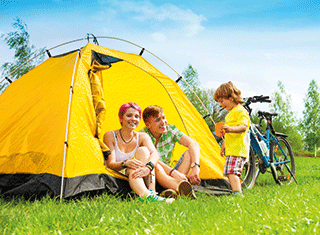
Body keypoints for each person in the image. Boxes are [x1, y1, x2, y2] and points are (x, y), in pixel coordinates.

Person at [103, 102, 174, 203]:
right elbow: (110, 164)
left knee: (144, 151)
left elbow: (155, 154)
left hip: (139, 173)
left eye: (136, 116)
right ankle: (146, 196)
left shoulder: (142, 136)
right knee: (133, 167)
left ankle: (151, 192)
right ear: (120, 119)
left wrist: (147, 167)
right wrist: (126, 163)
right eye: (129, 115)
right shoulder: (110, 135)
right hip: (117, 173)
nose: (133, 119)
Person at [140, 105, 201, 199]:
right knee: (155, 164)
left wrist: (195, 166)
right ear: (148, 125)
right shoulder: (143, 135)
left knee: (189, 153)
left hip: (170, 174)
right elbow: (153, 160)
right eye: (157, 120)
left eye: (163, 118)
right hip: (153, 176)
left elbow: (193, 144)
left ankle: (169, 191)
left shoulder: (170, 130)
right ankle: (179, 188)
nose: (163, 122)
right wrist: (173, 172)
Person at [213, 81, 250, 197]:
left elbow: (243, 127)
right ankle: (236, 192)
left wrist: (230, 128)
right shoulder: (230, 113)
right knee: (230, 172)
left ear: (231, 96)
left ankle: (237, 194)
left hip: (238, 149)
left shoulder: (240, 111)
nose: (221, 105)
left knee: (232, 172)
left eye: (222, 101)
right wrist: (223, 145)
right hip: (231, 149)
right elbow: (228, 134)